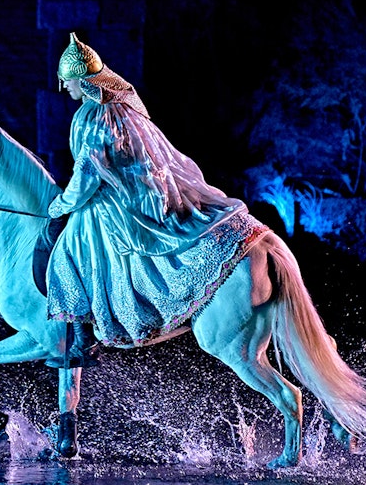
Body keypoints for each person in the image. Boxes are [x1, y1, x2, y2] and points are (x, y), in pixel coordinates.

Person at [42, 32, 269, 368]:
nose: (68, 90)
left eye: (70, 83)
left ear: (83, 81)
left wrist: (60, 205)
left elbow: (88, 174)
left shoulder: (94, 116)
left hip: (123, 202)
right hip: (143, 191)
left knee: (69, 249)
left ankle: (83, 339)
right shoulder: (119, 107)